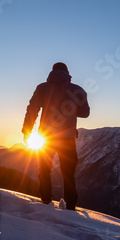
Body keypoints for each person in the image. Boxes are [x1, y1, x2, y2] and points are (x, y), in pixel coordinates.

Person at [22, 62, 90, 210]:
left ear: (51, 72)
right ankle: (71, 206)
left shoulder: (42, 88)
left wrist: (27, 130)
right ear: (67, 73)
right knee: (68, 173)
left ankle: (46, 201)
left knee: (44, 169)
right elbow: (85, 113)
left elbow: (32, 109)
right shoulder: (77, 90)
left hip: (46, 137)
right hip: (67, 138)